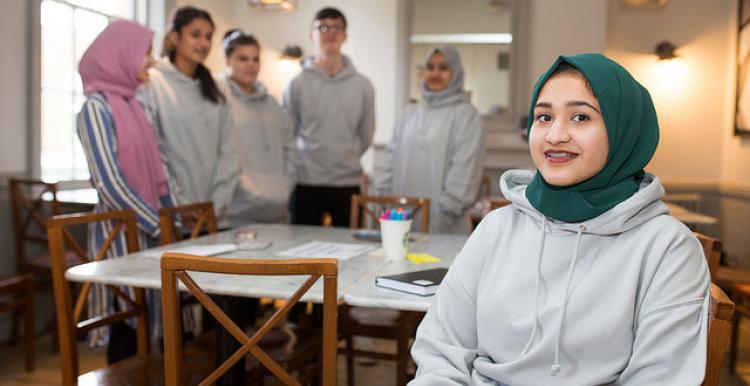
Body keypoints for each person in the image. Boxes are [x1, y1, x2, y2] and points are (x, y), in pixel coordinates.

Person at [409, 53, 710, 385]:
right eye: (543, 117)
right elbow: (441, 348)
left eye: (580, 117)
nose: (555, 135)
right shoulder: (497, 229)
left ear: (623, 131)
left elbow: (661, 378)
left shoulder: (667, 248)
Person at [77, 20, 178, 362]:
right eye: (145, 52)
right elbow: (110, 184)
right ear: (122, 55)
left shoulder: (138, 106)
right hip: (119, 236)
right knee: (127, 327)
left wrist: (175, 217)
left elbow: (161, 171)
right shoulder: (95, 109)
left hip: (152, 233)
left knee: (160, 323)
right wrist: (158, 223)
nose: (150, 60)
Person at [138, 6, 239, 223]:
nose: (203, 43)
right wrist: (179, 206)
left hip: (214, 215)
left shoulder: (219, 88)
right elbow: (155, 153)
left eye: (208, 37)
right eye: (195, 35)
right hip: (171, 214)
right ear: (175, 37)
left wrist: (213, 206)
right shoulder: (153, 83)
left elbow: (230, 155)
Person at [377, 46, 485, 234]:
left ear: (456, 72)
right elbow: (390, 162)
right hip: (400, 222)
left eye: (443, 67)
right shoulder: (408, 112)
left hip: (444, 227)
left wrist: (437, 220)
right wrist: (388, 205)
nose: (435, 73)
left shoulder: (467, 116)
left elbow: (464, 175)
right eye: (430, 67)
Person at [284, 7, 375, 227]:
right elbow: (288, 133)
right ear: (311, 35)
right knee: (301, 254)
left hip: (348, 182)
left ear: (345, 35)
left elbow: (366, 134)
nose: (330, 32)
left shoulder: (363, 85)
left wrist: (346, 154)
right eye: (323, 27)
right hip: (307, 182)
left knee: (351, 253)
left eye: (337, 27)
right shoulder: (296, 84)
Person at [218, 29, 296, 226]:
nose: (250, 65)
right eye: (243, 58)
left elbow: (290, 149)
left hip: (275, 211)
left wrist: (285, 187)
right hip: (234, 213)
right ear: (228, 60)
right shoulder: (219, 100)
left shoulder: (273, 105)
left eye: (255, 59)